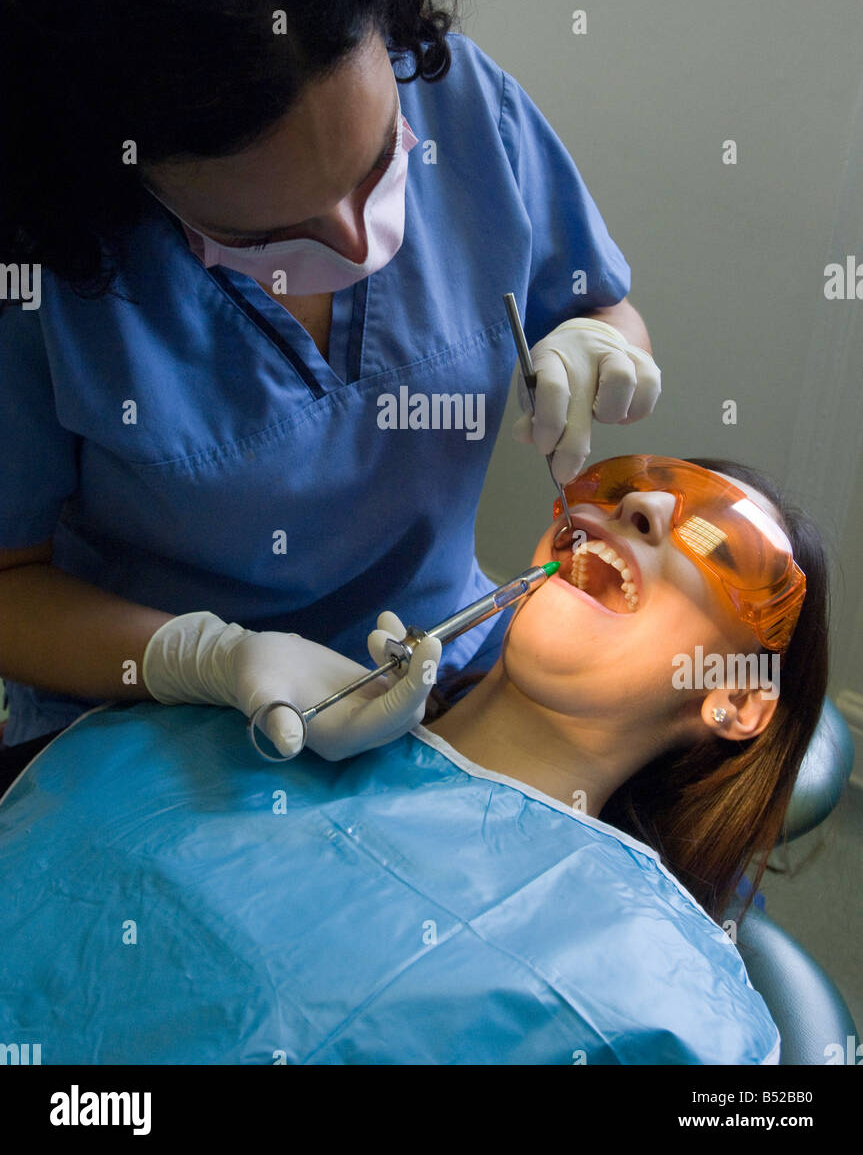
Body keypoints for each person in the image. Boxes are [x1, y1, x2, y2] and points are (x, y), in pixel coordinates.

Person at [0, 0, 660, 774]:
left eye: (378, 170)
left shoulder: (459, 101)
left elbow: (599, 304)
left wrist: (599, 346)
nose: (361, 245)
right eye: (280, 232)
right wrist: (206, 660)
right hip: (161, 734)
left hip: (448, 663)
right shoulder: (40, 269)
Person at [0, 455, 828, 1064]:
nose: (640, 501)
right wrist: (201, 664)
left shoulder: (662, 998)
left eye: (723, 540)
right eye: (618, 482)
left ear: (737, 695)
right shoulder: (238, 719)